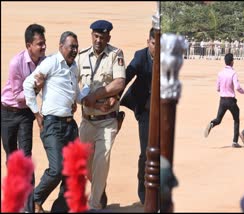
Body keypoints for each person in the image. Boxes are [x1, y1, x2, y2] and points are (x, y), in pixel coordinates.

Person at [23, 31, 80, 213]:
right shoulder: (51, 62)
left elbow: (76, 94)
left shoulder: (74, 67)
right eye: (71, 46)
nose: (74, 50)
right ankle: (35, 201)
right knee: (57, 169)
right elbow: (27, 85)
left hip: (71, 126)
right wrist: (36, 113)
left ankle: (59, 209)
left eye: (76, 47)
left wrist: (94, 97)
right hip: (52, 124)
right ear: (61, 46)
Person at [76, 19, 126, 210]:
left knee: (101, 162)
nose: (98, 40)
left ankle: (95, 205)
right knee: (88, 167)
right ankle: (100, 188)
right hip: (87, 121)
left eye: (102, 37)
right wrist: (86, 100)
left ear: (108, 38)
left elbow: (119, 82)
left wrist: (97, 95)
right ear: (92, 36)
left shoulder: (115, 54)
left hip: (107, 122)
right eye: (96, 36)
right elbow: (74, 87)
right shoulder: (81, 57)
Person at [1, 23, 46, 213]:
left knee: (25, 158)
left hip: (26, 113)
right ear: (29, 45)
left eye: (44, 43)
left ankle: (28, 209)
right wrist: (35, 89)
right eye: (39, 44)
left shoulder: (45, 61)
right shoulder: (16, 63)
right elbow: (18, 94)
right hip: (7, 112)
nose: (43, 47)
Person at [120, 27, 155, 204]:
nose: (157, 48)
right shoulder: (140, 56)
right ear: (148, 42)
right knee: (146, 151)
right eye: (154, 44)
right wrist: (114, 98)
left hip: (160, 111)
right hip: (144, 109)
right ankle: (142, 184)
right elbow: (127, 76)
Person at [204, 53, 244, 148]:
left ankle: (212, 123)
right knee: (236, 119)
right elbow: (237, 87)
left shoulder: (220, 73)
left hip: (222, 100)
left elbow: (217, 88)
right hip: (231, 100)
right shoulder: (233, 73)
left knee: (218, 119)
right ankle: (234, 141)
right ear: (232, 62)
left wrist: (223, 90)